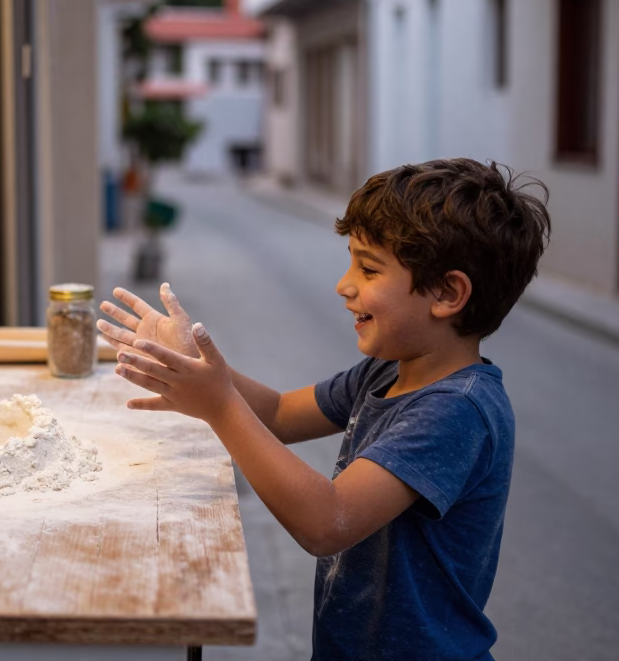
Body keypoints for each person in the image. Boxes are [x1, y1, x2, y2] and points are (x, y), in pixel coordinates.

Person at [99, 158, 551, 660]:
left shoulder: (457, 411)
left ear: (447, 293)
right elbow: (274, 414)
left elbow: (326, 522)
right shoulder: (387, 371)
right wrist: (196, 362)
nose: (344, 284)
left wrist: (219, 405)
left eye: (369, 268)